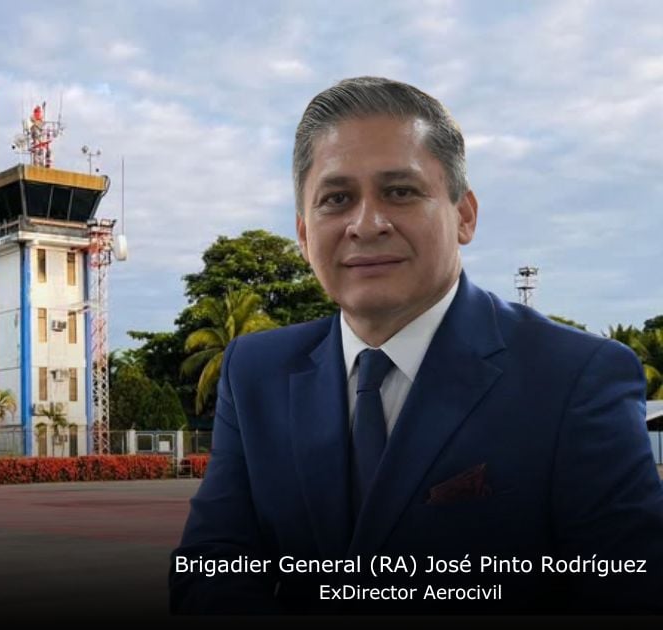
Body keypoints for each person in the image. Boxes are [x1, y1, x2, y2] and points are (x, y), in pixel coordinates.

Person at [169, 76, 663, 614]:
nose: (366, 224)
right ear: (304, 234)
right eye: (336, 199)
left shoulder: (575, 377)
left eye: (400, 192)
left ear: (465, 215)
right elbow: (212, 564)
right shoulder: (256, 371)